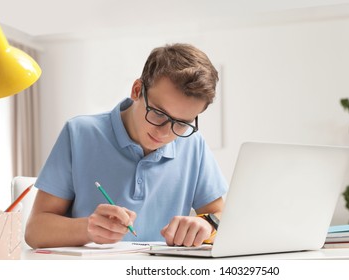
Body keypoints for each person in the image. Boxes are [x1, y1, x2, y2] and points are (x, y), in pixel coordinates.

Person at [25, 43, 228, 249]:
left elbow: (222, 215)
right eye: (158, 113)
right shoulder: (79, 133)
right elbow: (35, 231)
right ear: (137, 90)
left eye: (182, 123)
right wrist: (87, 228)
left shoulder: (193, 143)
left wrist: (206, 224)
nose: (165, 132)